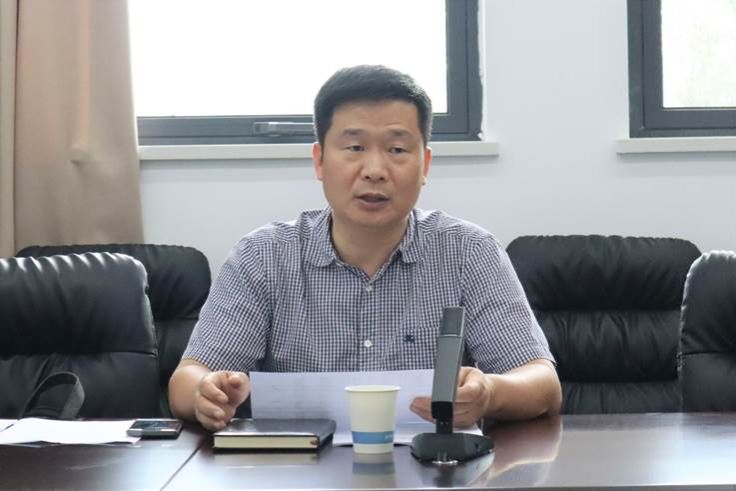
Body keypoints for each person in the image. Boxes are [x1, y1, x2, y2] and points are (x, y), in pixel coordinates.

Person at [169, 65, 561, 431]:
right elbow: (188, 379)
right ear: (320, 161)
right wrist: (207, 392)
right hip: (297, 468)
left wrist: (490, 393)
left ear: (425, 165)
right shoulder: (262, 257)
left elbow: (542, 383)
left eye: (397, 150)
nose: (374, 170)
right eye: (355, 147)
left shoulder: (469, 252)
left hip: (435, 466)